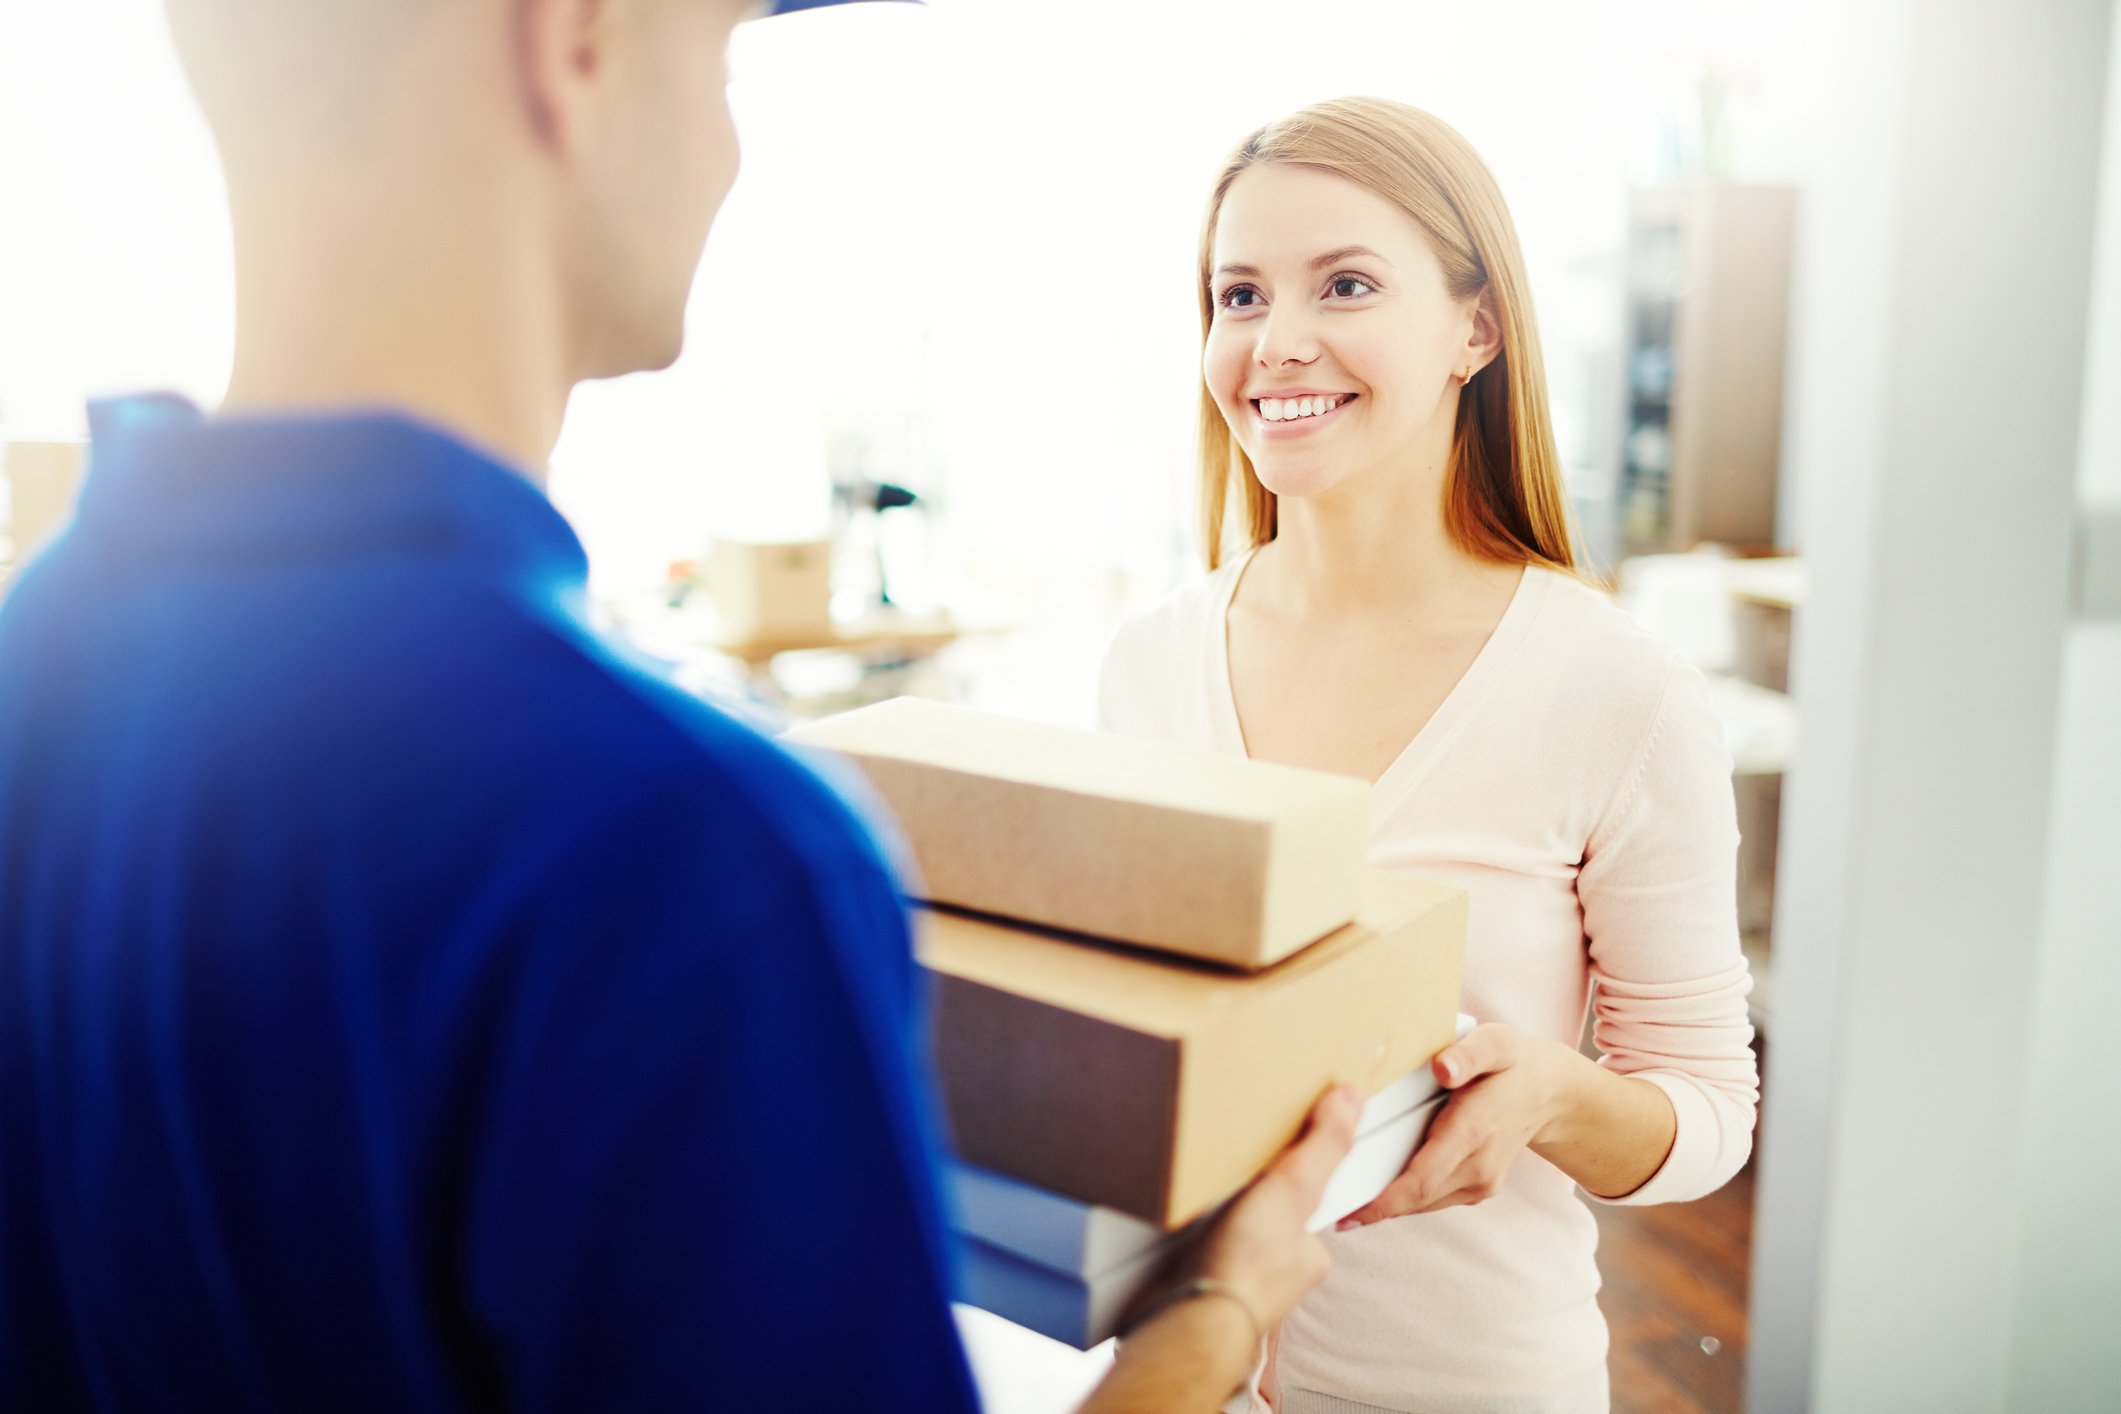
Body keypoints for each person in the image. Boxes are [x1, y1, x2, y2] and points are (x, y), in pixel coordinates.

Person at [0, 2, 1355, 1409]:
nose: (723, 149)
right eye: (712, 57)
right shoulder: (691, 859)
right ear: (572, 41)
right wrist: (1212, 1315)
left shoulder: (41, 653)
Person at [1097, 97, 1761, 1414]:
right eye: (1237, 294)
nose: (1274, 342)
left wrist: (1553, 1095)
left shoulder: (1611, 690)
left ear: (1477, 327)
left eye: (1343, 283)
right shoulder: (1147, 664)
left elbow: (1706, 1112)